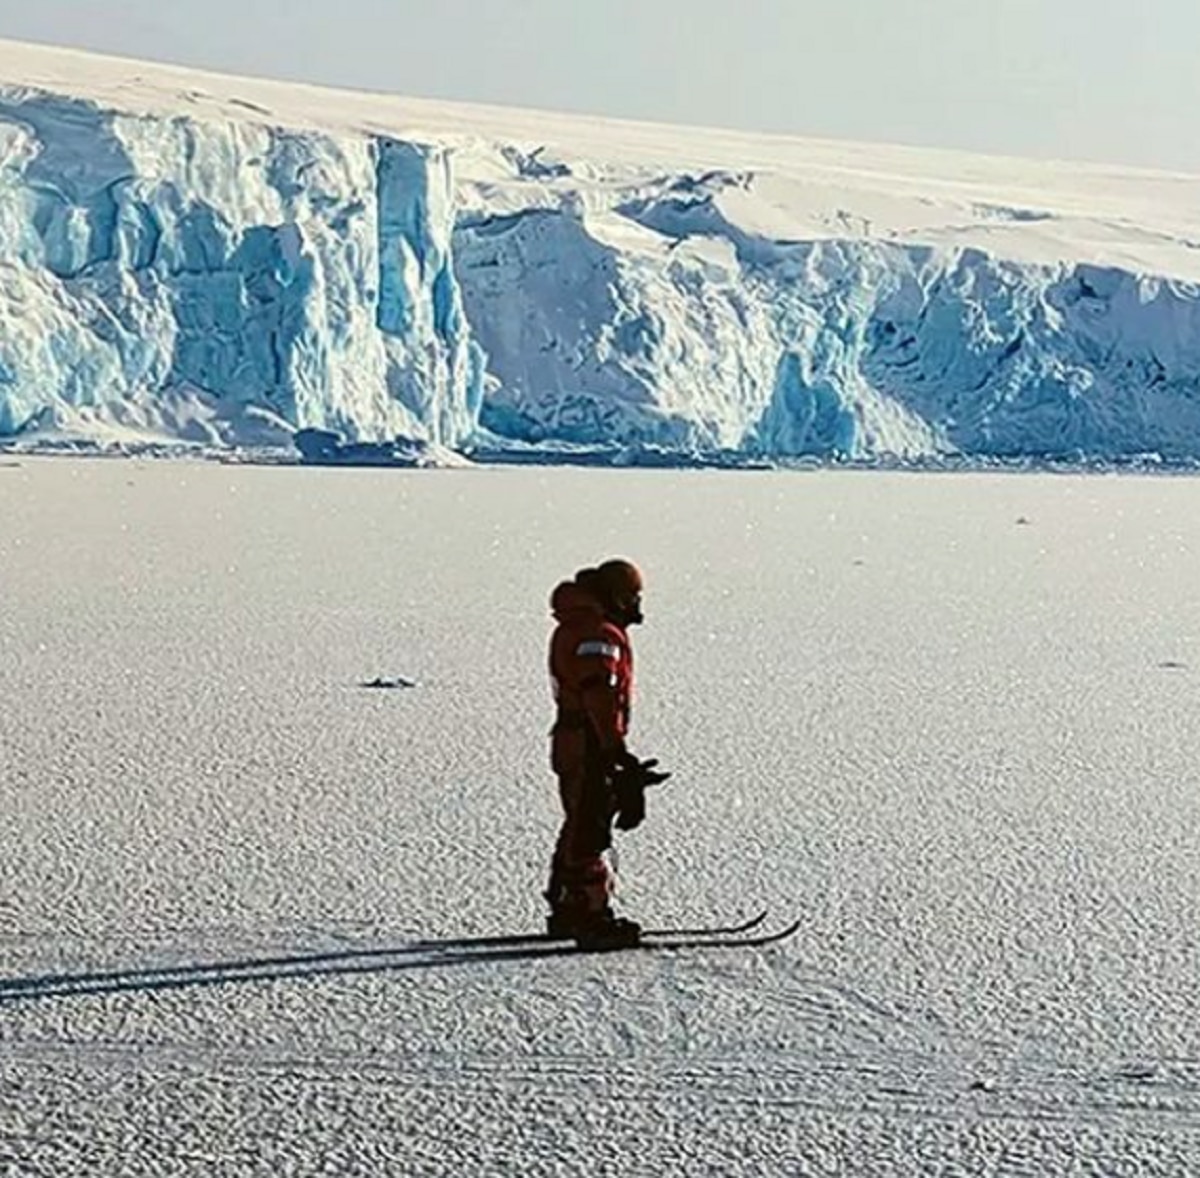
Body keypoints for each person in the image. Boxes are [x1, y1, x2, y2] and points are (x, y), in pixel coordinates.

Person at [544, 558, 669, 947]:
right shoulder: (599, 633)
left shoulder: (579, 626)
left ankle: (567, 905)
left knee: (578, 820)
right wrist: (615, 749)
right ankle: (589, 914)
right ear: (615, 596)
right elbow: (599, 692)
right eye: (632, 596)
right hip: (588, 743)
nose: (637, 604)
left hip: (573, 739)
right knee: (589, 827)